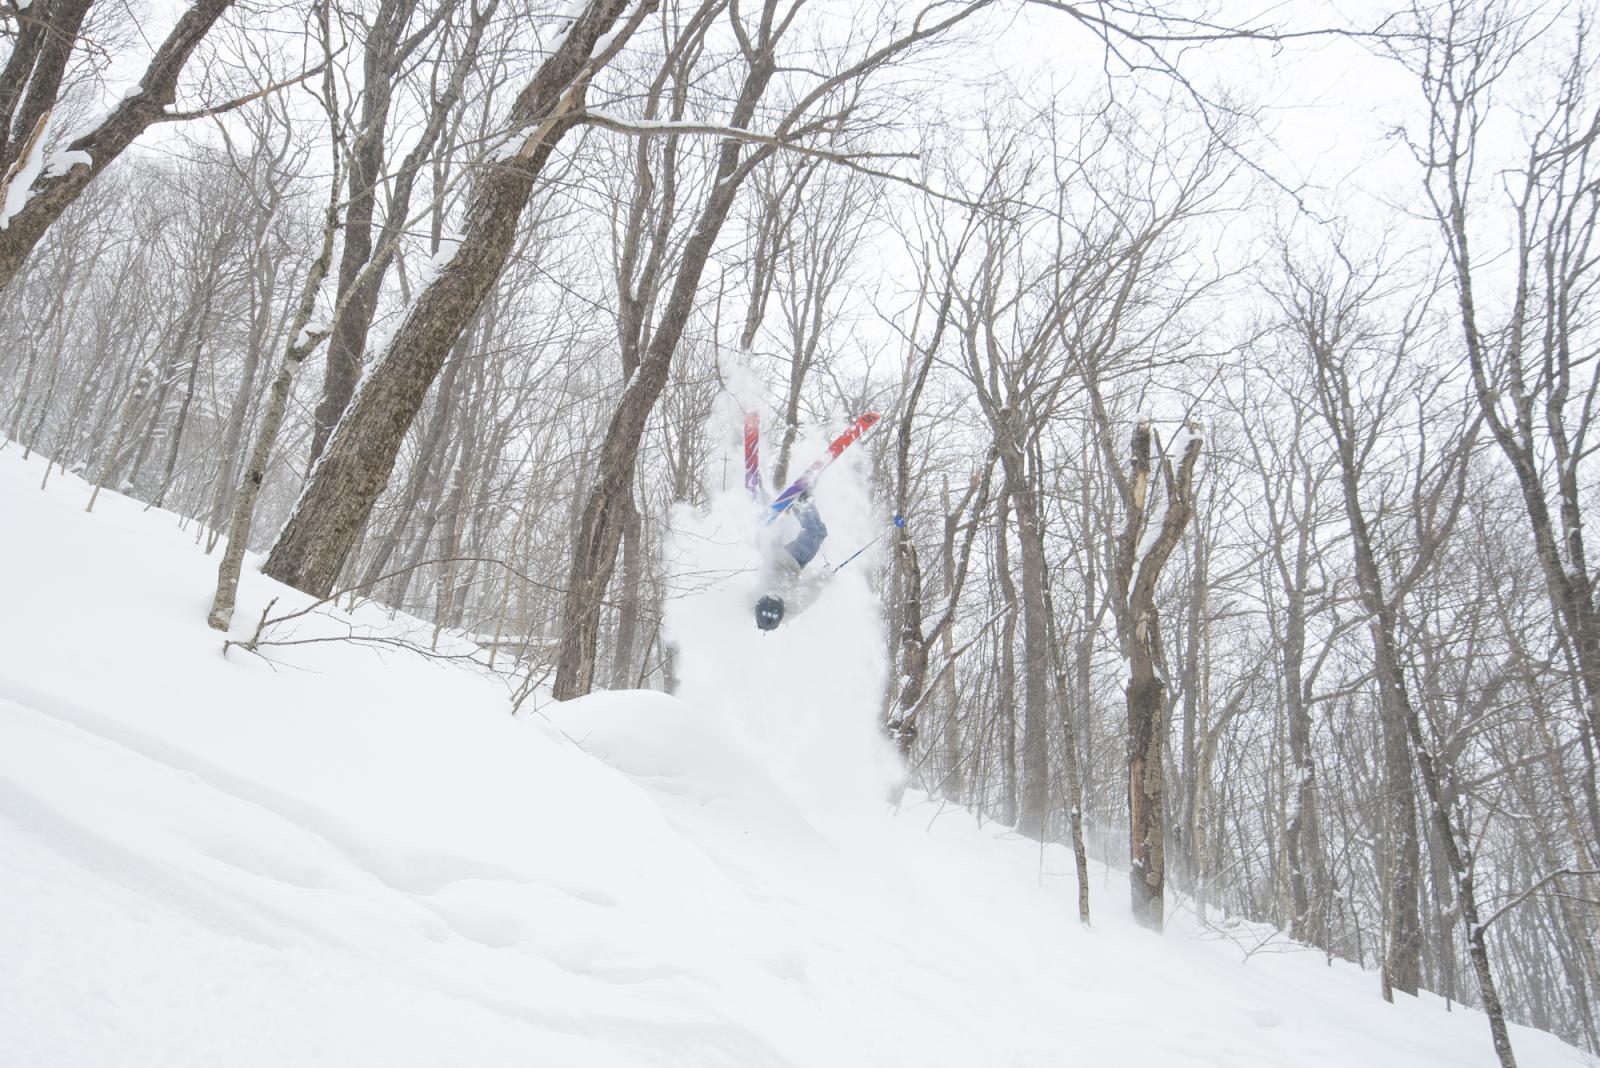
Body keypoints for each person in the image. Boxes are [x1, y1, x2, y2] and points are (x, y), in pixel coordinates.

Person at [754, 495, 828, 630]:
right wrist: (825, 576)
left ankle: (770, 497)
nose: (774, 595)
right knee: (815, 534)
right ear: (783, 609)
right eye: (778, 599)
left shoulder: (748, 598)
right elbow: (811, 591)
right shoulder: (791, 608)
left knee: (814, 534)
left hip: (770, 554)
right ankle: (801, 501)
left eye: (769, 597)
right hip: (790, 561)